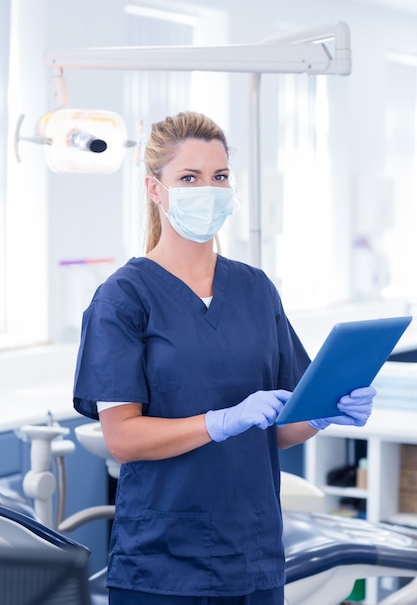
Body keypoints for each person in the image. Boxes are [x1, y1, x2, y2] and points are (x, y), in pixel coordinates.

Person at [73, 111, 376, 605]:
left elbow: (276, 431)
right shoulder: (125, 298)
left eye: (219, 177)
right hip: (163, 564)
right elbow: (122, 437)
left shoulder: (255, 289)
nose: (207, 190)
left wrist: (321, 413)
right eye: (188, 178)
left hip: (254, 557)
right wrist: (218, 422)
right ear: (155, 189)